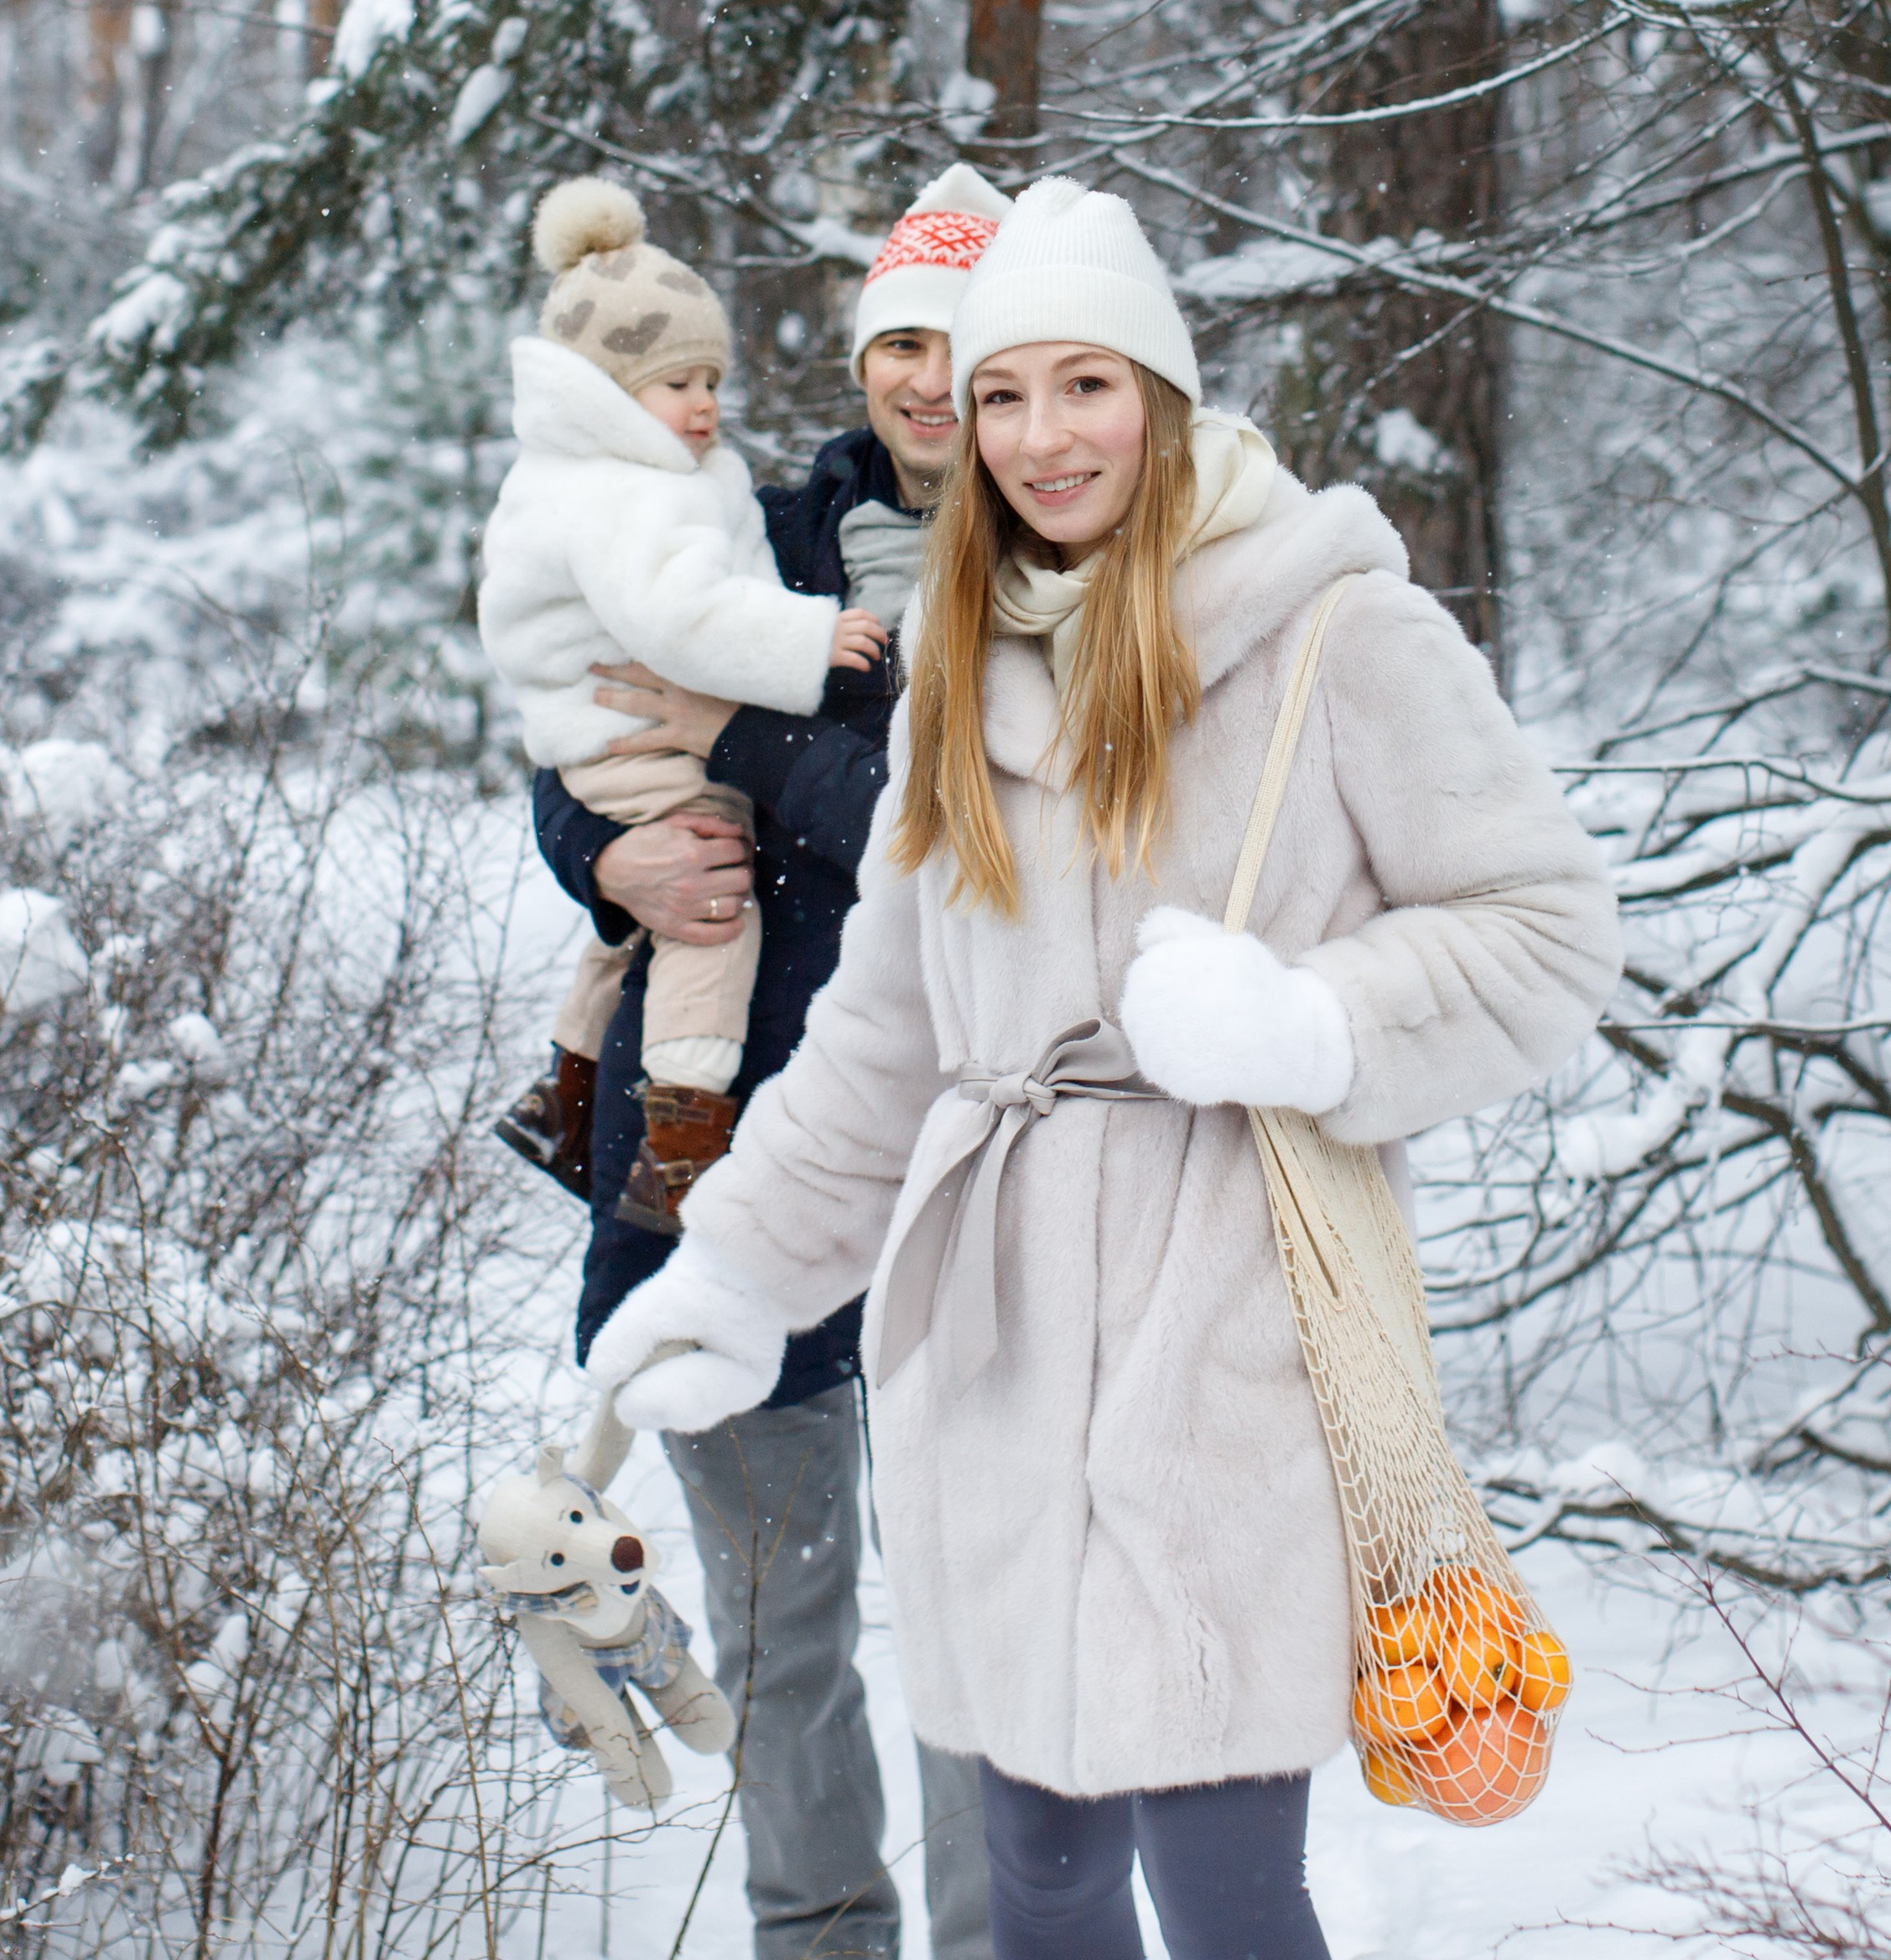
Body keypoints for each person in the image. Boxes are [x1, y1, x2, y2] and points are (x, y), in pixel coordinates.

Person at [586, 176, 1623, 1960]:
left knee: (1223, 1890)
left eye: (1085, 386)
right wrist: (741, 1265)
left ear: (1157, 388)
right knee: (1045, 1884)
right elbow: (890, 1037)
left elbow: (1543, 934)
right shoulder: (953, 671)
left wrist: (1313, 1023)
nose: (1041, 435)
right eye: (1001, 393)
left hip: (1226, 1333)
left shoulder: (1330, 635)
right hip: (987, 1361)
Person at [529, 163, 1009, 1960]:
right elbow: (585, 705)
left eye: (960, 344)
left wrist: (742, 727)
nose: (922, 381)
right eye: (897, 339)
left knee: (982, 1612)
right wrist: (610, 854)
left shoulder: (1067, 561)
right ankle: (820, 1940)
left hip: (984, 1162)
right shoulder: (743, 527)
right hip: (732, 1153)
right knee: (779, 1621)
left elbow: (947, 835)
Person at [482, 178, 886, 1230]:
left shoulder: (598, 476)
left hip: (606, 739)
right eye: (675, 382)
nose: (704, 404)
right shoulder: (635, 492)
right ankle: (685, 1135)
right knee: (712, 905)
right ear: (611, 395)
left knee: (636, 934)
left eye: (710, 376)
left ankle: (562, 1092)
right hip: (629, 745)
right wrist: (809, 642)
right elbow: (683, 619)